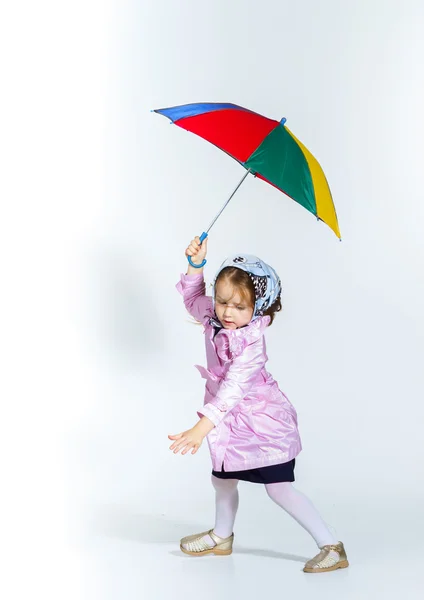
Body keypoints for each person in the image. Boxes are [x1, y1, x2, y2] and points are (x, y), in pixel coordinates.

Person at [168, 236, 349, 573]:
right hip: (230, 424)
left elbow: (233, 390)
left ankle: (331, 546)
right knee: (222, 479)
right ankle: (222, 536)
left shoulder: (252, 343)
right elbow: (193, 299)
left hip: (261, 423)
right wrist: (196, 264)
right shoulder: (215, 315)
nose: (227, 312)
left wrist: (200, 428)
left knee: (279, 489)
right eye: (222, 302)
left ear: (258, 306)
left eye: (239, 306)